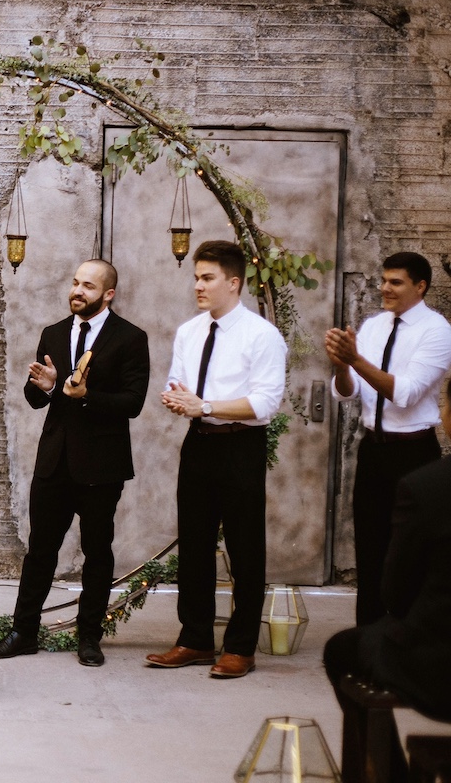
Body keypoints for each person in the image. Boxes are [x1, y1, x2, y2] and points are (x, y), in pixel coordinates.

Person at [0, 259, 150, 667]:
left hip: (102, 465)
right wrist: (45, 386)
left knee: (98, 552)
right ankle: (24, 632)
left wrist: (87, 396)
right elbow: (37, 396)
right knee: (40, 551)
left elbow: (133, 402)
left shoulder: (130, 338)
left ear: (108, 294)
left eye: (88, 286)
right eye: (75, 283)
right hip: (54, 462)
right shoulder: (54, 332)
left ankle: (89, 637)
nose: (77, 291)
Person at [147, 240, 286, 679]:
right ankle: (195, 640)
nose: (198, 287)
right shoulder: (190, 331)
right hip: (199, 444)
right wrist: (177, 396)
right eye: (196, 278)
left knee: (245, 548)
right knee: (195, 544)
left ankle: (240, 647)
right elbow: (178, 380)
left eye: (207, 278)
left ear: (233, 282)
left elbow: (265, 404)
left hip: (240, 446)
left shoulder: (261, 335)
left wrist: (204, 405)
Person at [323, 375, 451, 782]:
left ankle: (388, 772)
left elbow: (396, 593)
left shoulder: (427, 487)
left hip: (439, 674)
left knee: (343, 649)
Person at [325, 251, 451, 626]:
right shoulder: (375, 325)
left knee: (410, 553)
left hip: (413, 453)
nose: (385, 288)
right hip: (373, 450)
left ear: (420, 286)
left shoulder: (437, 330)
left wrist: (357, 360)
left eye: (395, 282)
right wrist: (342, 366)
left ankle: (404, 643)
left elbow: (406, 393)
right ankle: (368, 640)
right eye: (383, 280)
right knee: (370, 548)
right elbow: (347, 393)